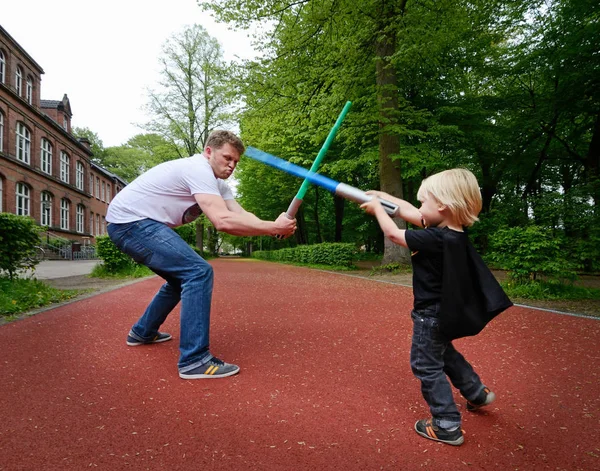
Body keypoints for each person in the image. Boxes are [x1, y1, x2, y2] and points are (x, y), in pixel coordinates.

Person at [106, 130, 296, 380]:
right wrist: (273, 227)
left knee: (179, 279)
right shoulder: (197, 169)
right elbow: (223, 221)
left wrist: (272, 225)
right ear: (209, 152)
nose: (231, 165)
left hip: (134, 224)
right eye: (227, 158)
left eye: (236, 162)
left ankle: (143, 332)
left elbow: (240, 215)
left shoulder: (218, 184)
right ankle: (194, 360)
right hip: (131, 223)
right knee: (198, 271)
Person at [360, 169, 512, 446]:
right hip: (446, 313)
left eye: (423, 203)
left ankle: (446, 425)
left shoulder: (434, 238)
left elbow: (394, 234)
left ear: (441, 205)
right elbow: (406, 211)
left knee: (425, 365)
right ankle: (476, 392)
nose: (419, 209)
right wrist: (383, 197)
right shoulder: (452, 233)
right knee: (444, 353)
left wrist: (377, 210)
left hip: (429, 315)